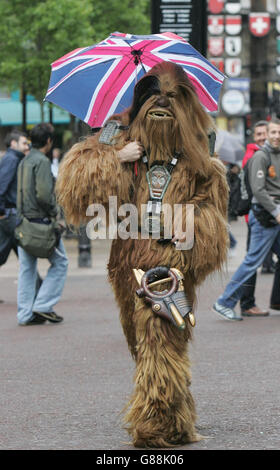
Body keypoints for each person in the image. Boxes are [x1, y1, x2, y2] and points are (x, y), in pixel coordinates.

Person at [213, 118, 280, 321]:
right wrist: (276, 211)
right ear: (267, 134)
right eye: (273, 132)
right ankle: (224, 302)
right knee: (252, 262)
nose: (276, 136)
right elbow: (259, 190)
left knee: (254, 261)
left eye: (279, 132)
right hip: (265, 218)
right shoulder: (262, 156)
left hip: (273, 217)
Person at [17, 123, 68, 326]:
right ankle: (44, 304)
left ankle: (24, 314)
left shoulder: (24, 161)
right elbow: (44, 195)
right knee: (61, 263)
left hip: (24, 224)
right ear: (48, 141)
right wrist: (56, 214)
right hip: (41, 224)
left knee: (26, 269)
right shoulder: (42, 162)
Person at [239, 120, 270, 316]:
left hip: (266, 217)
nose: (261, 137)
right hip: (258, 218)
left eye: (264, 134)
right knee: (252, 261)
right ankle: (245, 303)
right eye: (258, 135)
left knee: (253, 260)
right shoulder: (254, 156)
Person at [0, 131, 29, 266]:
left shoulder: (14, 159)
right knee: (27, 258)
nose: (26, 146)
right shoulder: (11, 159)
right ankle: (38, 287)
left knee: (24, 258)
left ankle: (38, 286)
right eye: (23, 143)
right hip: (10, 216)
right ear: (13, 143)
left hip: (9, 216)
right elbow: (1, 187)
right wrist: (1, 214)